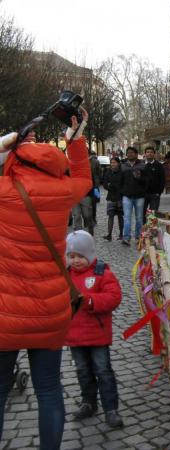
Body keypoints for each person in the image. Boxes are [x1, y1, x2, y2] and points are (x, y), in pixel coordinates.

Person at [0, 111, 91, 449]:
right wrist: (76, 137)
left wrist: (5, 142)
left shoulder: (4, 189)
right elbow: (83, 175)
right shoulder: (61, 190)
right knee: (50, 389)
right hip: (51, 311)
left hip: (4, 314)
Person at [64, 230, 123, 428]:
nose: (76, 260)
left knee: (103, 370)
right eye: (72, 256)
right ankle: (88, 402)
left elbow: (114, 297)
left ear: (89, 255)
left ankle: (111, 408)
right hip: (74, 335)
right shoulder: (65, 275)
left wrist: (90, 300)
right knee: (82, 370)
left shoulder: (101, 273)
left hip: (97, 335)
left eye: (80, 256)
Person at [120, 147, 146, 246]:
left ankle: (138, 237)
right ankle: (126, 237)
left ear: (136, 154)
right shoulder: (123, 166)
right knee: (127, 217)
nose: (130, 154)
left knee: (139, 218)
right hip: (127, 195)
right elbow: (120, 181)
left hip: (139, 196)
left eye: (132, 153)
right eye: (128, 153)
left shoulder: (142, 165)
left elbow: (146, 180)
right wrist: (122, 192)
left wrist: (140, 178)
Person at [102, 157, 124, 241]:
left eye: (114, 162)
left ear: (118, 163)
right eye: (111, 162)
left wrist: (112, 185)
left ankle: (121, 234)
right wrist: (110, 186)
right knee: (110, 216)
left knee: (120, 216)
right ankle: (109, 235)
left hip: (120, 197)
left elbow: (122, 185)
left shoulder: (122, 173)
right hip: (111, 197)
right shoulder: (108, 172)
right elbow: (105, 184)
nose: (112, 164)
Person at [143, 146, 165, 220]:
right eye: (148, 152)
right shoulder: (142, 165)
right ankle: (144, 230)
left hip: (154, 194)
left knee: (153, 214)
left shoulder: (159, 165)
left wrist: (159, 192)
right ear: (145, 154)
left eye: (151, 152)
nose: (149, 154)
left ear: (154, 154)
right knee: (142, 214)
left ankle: (151, 230)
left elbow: (162, 179)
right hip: (143, 194)